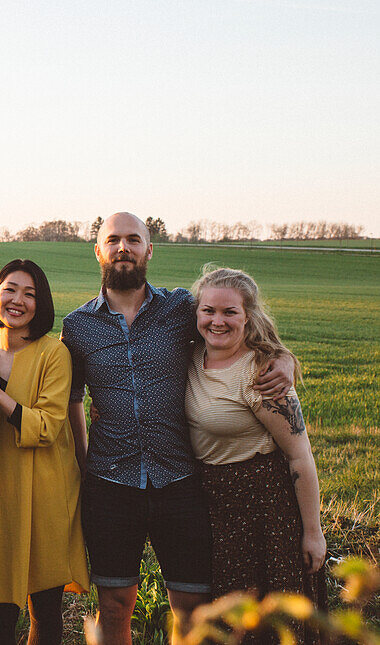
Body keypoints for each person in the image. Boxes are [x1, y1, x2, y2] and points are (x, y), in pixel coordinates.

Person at [61, 212, 297, 644]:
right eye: (113, 240)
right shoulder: (78, 325)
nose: (123, 248)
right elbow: (74, 399)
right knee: (114, 603)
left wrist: (283, 357)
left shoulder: (180, 310)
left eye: (134, 239)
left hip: (182, 480)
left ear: (150, 250)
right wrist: (83, 461)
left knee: (190, 606)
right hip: (109, 483)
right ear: (98, 251)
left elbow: (235, 329)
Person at [186, 266, 324, 640]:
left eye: (230, 312)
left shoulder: (262, 374)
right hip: (215, 502)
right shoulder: (191, 354)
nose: (217, 321)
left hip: (265, 505)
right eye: (208, 310)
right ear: (196, 313)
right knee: (233, 614)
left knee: (275, 615)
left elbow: (300, 456)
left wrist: (313, 532)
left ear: (249, 317)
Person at [0, 259, 89, 645]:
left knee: (45, 608)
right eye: (9, 290)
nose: (17, 300)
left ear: (41, 303)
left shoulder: (54, 354)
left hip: (48, 492)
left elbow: (48, 426)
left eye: (29, 294)